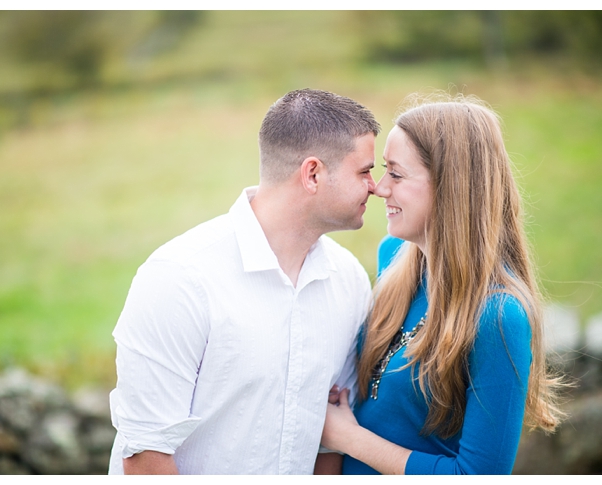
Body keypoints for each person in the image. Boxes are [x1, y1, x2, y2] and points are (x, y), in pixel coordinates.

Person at [107, 88, 381, 475]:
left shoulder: (349, 279)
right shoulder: (180, 277)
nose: (377, 186)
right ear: (313, 174)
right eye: (365, 171)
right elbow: (145, 456)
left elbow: (327, 442)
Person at [320, 93, 566, 474]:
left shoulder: (499, 317)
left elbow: (476, 476)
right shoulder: (393, 257)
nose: (380, 188)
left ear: (451, 186)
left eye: (397, 174)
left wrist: (349, 439)